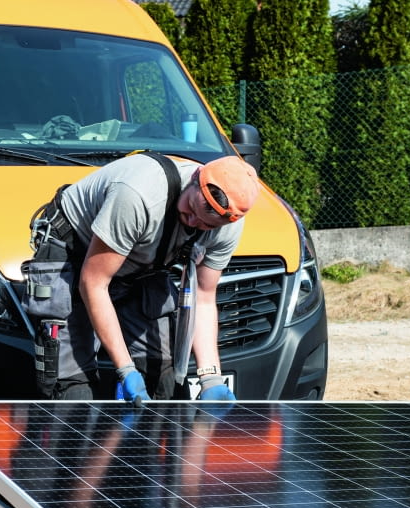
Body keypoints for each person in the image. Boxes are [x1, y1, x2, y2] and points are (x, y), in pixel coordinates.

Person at [22, 153, 260, 402]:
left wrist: (210, 377)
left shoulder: (227, 226)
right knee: (73, 391)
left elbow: (204, 296)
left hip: (140, 269)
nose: (192, 221)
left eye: (205, 225)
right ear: (195, 177)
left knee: (162, 377)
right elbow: (93, 283)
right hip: (76, 258)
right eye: (191, 208)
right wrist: (126, 370)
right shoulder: (139, 195)